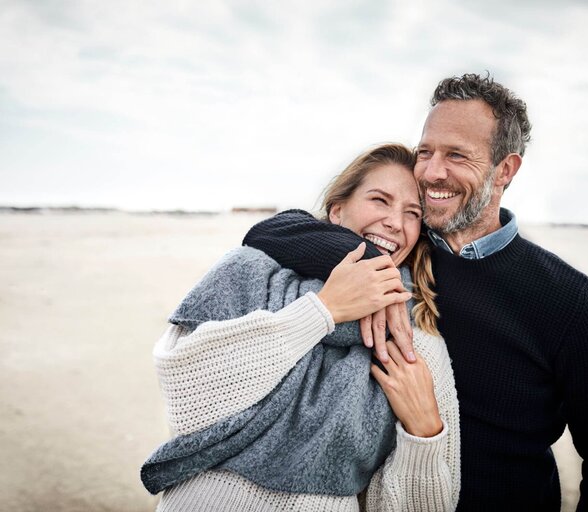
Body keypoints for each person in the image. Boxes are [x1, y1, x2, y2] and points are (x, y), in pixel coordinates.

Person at [243, 73, 588, 511]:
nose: (433, 172)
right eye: (426, 152)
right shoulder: (402, 250)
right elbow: (271, 230)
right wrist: (366, 262)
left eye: (457, 155)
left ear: (505, 170)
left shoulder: (569, 301)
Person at [144, 144, 461, 511]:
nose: (394, 222)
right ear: (338, 210)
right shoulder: (249, 270)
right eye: (379, 200)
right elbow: (186, 398)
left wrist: (424, 435)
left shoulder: (412, 334)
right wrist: (323, 311)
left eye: (412, 213)